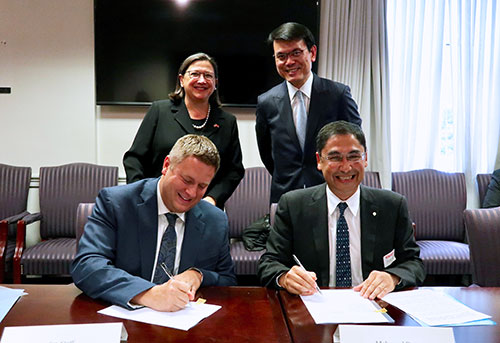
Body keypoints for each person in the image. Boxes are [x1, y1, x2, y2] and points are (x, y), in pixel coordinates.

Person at [258, 121, 425, 300]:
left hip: (374, 306)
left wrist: (392, 278)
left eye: (354, 156)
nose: (346, 167)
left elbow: (414, 264)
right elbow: (269, 264)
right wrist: (285, 278)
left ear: (365, 158)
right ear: (319, 161)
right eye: (335, 158)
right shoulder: (293, 205)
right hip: (316, 306)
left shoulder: (392, 205)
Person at [72, 134, 237, 312]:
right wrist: (148, 294)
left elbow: (228, 281)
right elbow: (87, 265)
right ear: (166, 166)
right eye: (186, 180)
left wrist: (198, 275)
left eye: (202, 186)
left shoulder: (215, 220)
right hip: (124, 318)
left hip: (183, 326)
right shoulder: (117, 203)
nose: (191, 192)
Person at [255, 22, 362, 204]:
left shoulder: (338, 95)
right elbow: (267, 154)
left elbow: (355, 143)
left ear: (312, 53)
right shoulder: (266, 102)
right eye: (281, 56)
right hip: (285, 196)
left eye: (296, 53)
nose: (289, 62)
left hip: (332, 192)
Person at [123, 52, 244, 209]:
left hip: (204, 209)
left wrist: (212, 199)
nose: (201, 80)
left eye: (208, 76)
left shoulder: (228, 122)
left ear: (215, 83)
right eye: (195, 74)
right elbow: (134, 158)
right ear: (182, 80)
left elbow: (234, 171)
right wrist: (141, 193)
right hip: (156, 203)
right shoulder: (160, 111)